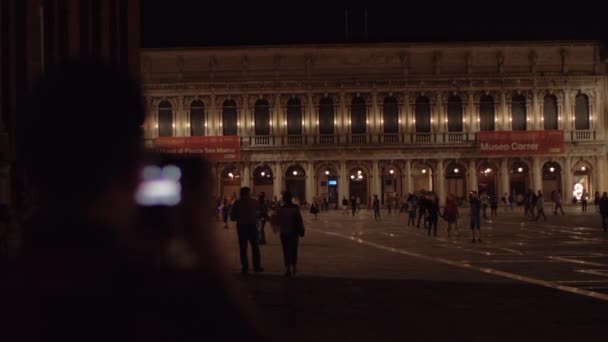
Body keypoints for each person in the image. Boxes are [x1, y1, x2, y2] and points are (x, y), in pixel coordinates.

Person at [9, 61, 267, 341]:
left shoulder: (13, 292)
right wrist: (204, 247)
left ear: (29, 171)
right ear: (131, 166)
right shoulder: (163, 305)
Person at [230, 187, 264, 275]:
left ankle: (244, 267)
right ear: (248, 193)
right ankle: (256, 266)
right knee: (255, 247)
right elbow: (260, 212)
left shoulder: (237, 203)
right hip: (252, 226)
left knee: (243, 248)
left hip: (241, 227)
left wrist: (240, 216)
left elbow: (232, 217)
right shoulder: (254, 202)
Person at [277, 191, 305, 276]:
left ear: (284, 199)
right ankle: (294, 267)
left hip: (284, 232)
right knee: (293, 250)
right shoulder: (295, 208)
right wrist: (301, 229)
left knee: (286, 251)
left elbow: (277, 221)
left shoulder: (281, 209)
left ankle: (288, 268)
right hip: (293, 232)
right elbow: (299, 220)